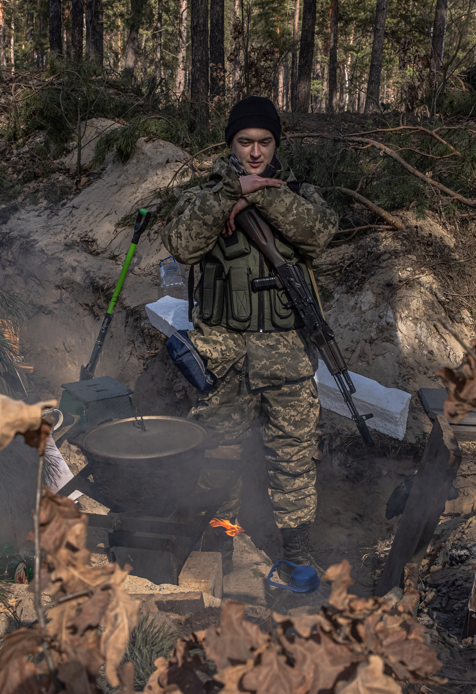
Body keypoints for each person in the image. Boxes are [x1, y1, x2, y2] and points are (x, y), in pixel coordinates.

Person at [160, 96, 337, 580]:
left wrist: (259, 194)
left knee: (294, 461)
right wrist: (227, 195)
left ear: (277, 143)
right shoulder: (206, 196)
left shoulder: (299, 193)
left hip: (288, 359)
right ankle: (219, 544)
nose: (255, 152)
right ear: (230, 143)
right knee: (216, 456)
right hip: (226, 356)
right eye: (244, 143)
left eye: (264, 142)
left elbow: (320, 234)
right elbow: (181, 244)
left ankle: (296, 557)